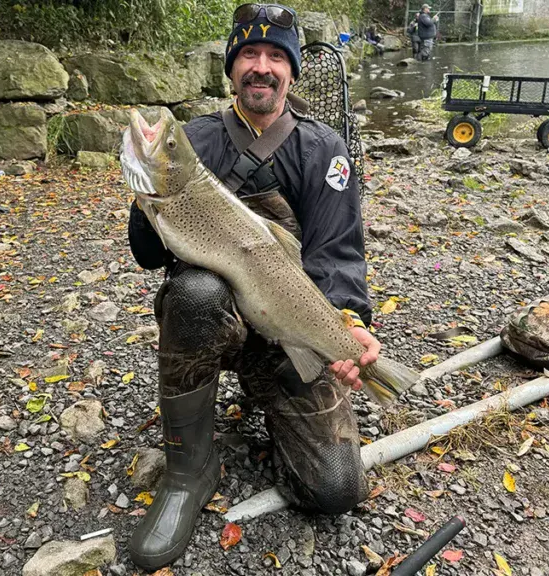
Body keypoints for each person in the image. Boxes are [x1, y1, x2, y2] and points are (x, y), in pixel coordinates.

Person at [126, 3, 380, 571]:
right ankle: (190, 468)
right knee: (193, 290)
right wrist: (147, 198)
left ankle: (277, 405)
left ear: (291, 70)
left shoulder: (323, 149)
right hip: (215, 323)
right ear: (232, 66)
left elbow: (337, 251)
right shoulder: (193, 140)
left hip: (291, 334)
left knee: (335, 491)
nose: (261, 67)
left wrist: (349, 325)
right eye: (248, 53)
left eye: (274, 56)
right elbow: (147, 255)